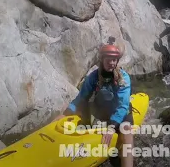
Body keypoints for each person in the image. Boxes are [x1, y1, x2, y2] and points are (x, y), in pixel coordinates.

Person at [53, 37, 134, 167]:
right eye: (109, 59)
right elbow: (81, 98)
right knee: (78, 109)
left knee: (127, 132)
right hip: (102, 112)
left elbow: (122, 105)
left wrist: (112, 127)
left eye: (114, 60)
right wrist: (67, 112)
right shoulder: (93, 77)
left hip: (121, 114)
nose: (112, 63)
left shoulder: (123, 78)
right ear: (101, 60)